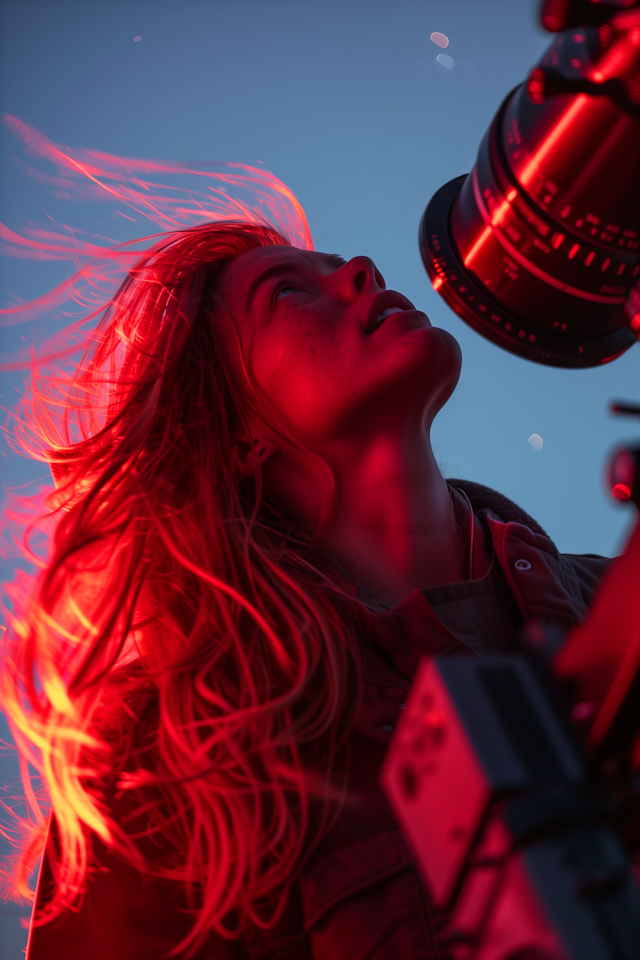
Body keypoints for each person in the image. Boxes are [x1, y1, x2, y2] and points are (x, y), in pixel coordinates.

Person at [2, 220, 608, 960]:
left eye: (336, 264)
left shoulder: (616, 600)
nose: (359, 268)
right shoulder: (181, 762)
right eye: (288, 292)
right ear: (236, 434)